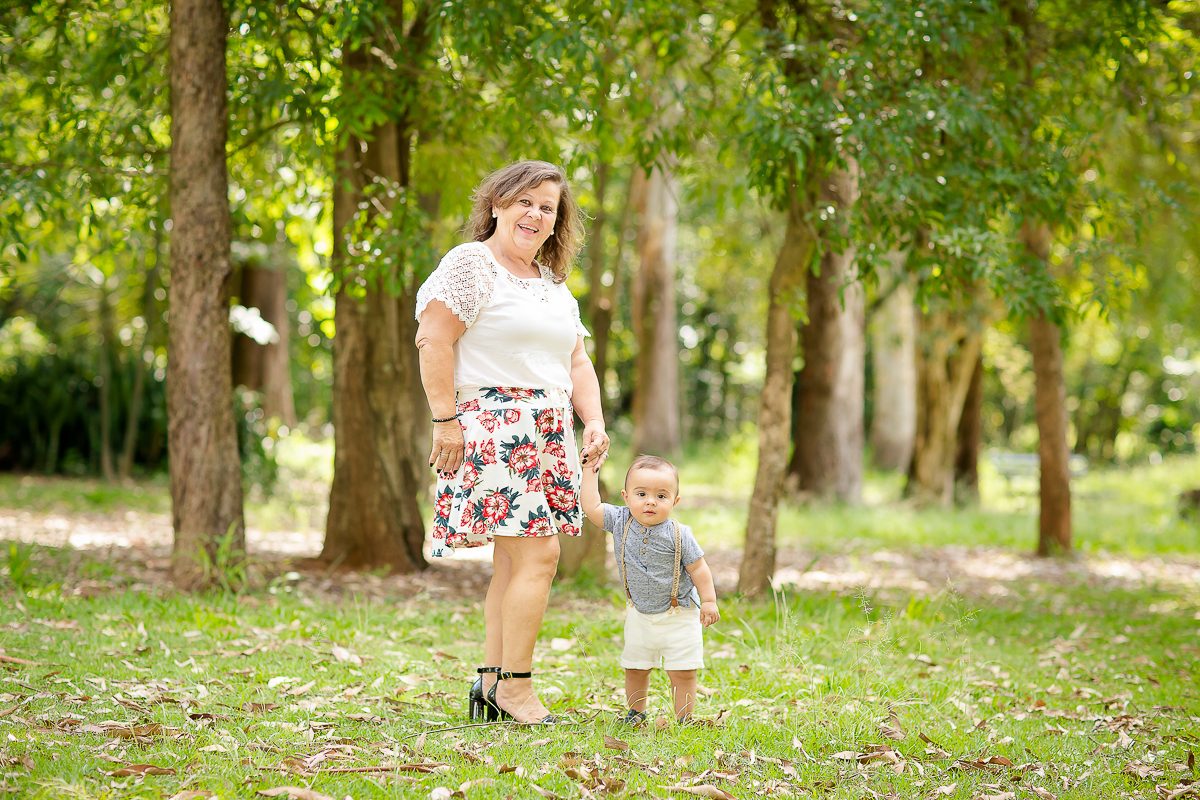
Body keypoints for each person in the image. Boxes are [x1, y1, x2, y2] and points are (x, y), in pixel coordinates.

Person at [414, 160, 610, 725]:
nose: (535, 214)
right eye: (524, 201)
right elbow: (435, 341)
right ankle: (517, 689)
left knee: (513, 561)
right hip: (493, 426)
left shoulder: (551, 283)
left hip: (547, 430)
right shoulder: (471, 265)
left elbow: (576, 359)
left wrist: (591, 420)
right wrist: (445, 420)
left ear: (556, 222)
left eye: (547, 207)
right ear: (497, 204)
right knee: (539, 555)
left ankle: (492, 681)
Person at [580, 454, 720, 724]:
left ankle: (684, 718)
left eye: (661, 496)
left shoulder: (679, 534)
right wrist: (590, 471)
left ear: (675, 502)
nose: (650, 501)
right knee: (635, 667)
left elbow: (699, 568)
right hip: (639, 613)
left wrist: (710, 600)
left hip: (678, 613)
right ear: (626, 496)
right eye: (641, 493)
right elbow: (591, 505)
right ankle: (636, 712)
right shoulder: (620, 521)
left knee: (683, 671)